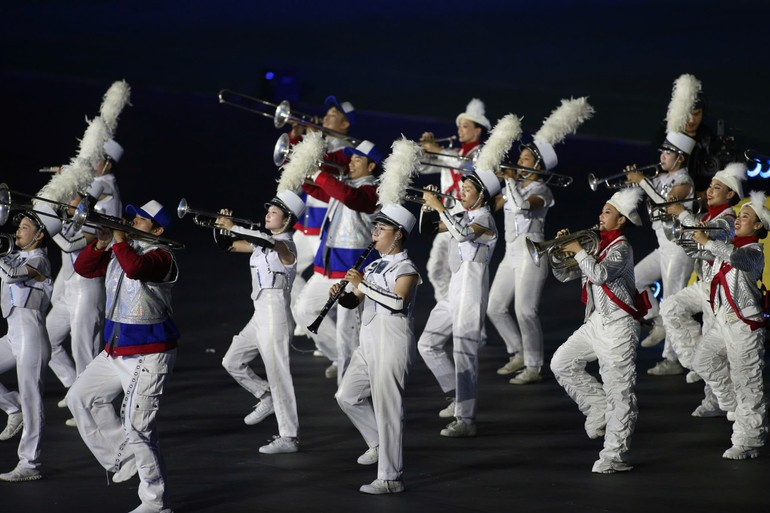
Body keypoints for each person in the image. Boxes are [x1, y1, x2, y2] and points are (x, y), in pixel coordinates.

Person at [68, 200, 179, 513]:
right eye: (132, 218)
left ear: (157, 230)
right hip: (116, 349)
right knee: (81, 398)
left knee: (138, 427)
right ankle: (124, 457)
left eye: (140, 221)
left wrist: (118, 240)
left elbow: (136, 269)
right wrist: (103, 242)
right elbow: (83, 268)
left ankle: (156, 504)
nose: (131, 222)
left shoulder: (162, 255)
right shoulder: (121, 249)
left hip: (150, 354)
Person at [550, 187, 646, 474]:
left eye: (607, 212)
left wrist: (579, 252)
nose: (600, 216)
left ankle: (613, 455)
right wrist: (560, 252)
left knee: (620, 393)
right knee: (561, 363)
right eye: (602, 211)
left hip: (619, 326)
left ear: (621, 220)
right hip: (596, 323)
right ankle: (596, 406)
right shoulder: (595, 246)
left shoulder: (621, 247)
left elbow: (600, 275)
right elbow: (566, 274)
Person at [334, 204, 421, 495]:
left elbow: (399, 301)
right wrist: (342, 294)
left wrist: (362, 285)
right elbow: (354, 300)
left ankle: (391, 477)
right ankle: (378, 442)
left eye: (380, 230)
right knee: (346, 395)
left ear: (397, 235)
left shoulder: (407, 268)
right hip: (369, 340)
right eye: (375, 228)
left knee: (389, 408)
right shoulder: (373, 266)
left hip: (392, 338)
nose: (374, 234)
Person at [216, 191, 305, 454]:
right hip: (260, 314)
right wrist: (221, 227)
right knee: (231, 360)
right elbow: (228, 246)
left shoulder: (287, 246)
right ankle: (265, 396)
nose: (267, 214)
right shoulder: (261, 243)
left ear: (287, 220)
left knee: (279, 375)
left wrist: (235, 227)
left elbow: (270, 244)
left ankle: (289, 437)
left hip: (276, 315)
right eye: (268, 210)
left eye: (274, 212)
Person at [417, 169, 499, 437]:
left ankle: (465, 419)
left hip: (472, 292)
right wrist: (428, 208)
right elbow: (428, 228)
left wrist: (440, 207)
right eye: (461, 189)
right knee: (427, 343)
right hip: (455, 290)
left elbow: (463, 235)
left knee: (464, 352)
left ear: (482, 195)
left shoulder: (485, 219)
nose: (460, 194)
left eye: (466, 190)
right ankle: (454, 394)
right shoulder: (463, 216)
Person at [660, 163, 745, 417]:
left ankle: (721, 402)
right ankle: (692, 361)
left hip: (723, 291)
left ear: (730, 194)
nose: (709, 191)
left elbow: (708, 239)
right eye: (710, 186)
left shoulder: (730, 219)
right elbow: (694, 245)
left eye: (717, 188)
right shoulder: (708, 216)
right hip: (705, 284)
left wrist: (683, 216)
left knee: (718, 346)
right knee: (670, 307)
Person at [690, 191, 768, 460]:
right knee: (702, 360)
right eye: (740, 215)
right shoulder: (727, 245)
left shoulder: (754, 252)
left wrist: (709, 243)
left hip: (745, 326)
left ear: (758, 226)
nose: (739, 219)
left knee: (748, 383)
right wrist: (700, 236)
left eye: (746, 217)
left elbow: (737, 259)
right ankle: (730, 403)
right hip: (724, 322)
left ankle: (749, 441)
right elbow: (707, 258)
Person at [294, 140, 380, 381]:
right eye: (350, 159)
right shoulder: (346, 184)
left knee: (348, 333)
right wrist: (300, 169)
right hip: (328, 267)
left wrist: (318, 173)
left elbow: (350, 198)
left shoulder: (374, 190)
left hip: (353, 271)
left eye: (357, 160)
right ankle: (339, 361)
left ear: (371, 166)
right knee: (304, 310)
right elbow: (318, 190)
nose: (351, 163)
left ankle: (349, 387)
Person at [626, 131, 695, 375]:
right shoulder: (658, 178)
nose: (662, 156)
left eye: (668, 153)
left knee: (672, 301)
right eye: (662, 152)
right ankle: (657, 320)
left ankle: (672, 360)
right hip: (663, 246)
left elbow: (665, 205)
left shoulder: (684, 180)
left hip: (679, 248)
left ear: (680, 159)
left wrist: (643, 181)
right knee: (634, 280)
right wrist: (635, 183)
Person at [0, 206, 60, 482]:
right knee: (24, 403)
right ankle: (13, 408)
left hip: (32, 335)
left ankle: (30, 463)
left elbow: (12, 275)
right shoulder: (16, 254)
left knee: (32, 399)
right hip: (14, 333)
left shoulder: (41, 261)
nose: (17, 231)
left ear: (39, 236)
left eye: (24, 227)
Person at [287, 96, 355, 338]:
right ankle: (305, 316)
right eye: (326, 114)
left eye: (332, 116)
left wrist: (312, 138)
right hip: (306, 225)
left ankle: (324, 333)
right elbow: (293, 166)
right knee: (283, 267)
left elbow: (324, 178)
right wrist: (296, 137)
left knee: (327, 282)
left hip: (325, 229)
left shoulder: (347, 151)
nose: (325, 118)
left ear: (345, 124)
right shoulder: (322, 144)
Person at [487, 146, 554, 384]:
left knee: (525, 311)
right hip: (511, 252)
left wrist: (509, 182)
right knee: (494, 307)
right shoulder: (513, 187)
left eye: (525, 159)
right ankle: (518, 351)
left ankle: (534, 366)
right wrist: (491, 179)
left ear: (538, 165)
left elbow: (523, 207)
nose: (518, 162)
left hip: (531, 251)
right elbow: (490, 206)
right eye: (520, 157)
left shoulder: (542, 190)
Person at [419, 99, 489, 303]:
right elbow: (424, 168)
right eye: (459, 126)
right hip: (446, 217)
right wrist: (425, 149)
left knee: (461, 271)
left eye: (465, 126)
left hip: (467, 220)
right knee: (435, 269)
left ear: (477, 131)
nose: (460, 130)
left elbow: (467, 168)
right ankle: (447, 308)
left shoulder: (482, 155)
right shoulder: (455, 153)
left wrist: (438, 150)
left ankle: (459, 310)